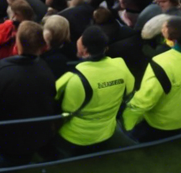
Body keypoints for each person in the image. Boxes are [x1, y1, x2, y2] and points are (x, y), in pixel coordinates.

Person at [0, 21, 58, 173]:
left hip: (6, 139)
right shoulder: (46, 69)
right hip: (35, 136)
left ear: (18, 43)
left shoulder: (0, 69)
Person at [122, 15, 181, 143]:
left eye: (164, 30)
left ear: (170, 39)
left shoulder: (161, 63)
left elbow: (145, 100)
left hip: (160, 123)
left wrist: (126, 120)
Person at [55, 26, 132, 154]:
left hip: (74, 139)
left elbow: (65, 109)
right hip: (106, 134)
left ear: (84, 51)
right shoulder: (121, 64)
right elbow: (129, 90)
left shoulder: (73, 78)